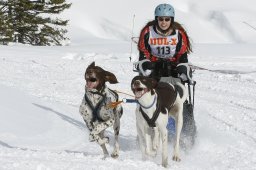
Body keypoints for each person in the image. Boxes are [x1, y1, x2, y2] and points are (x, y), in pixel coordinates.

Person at [134, 3, 196, 148]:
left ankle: (183, 131)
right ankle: (147, 131)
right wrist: (145, 64)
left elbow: (182, 54)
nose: (163, 22)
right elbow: (143, 52)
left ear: (171, 20)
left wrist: (183, 67)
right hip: (154, 66)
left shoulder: (179, 33)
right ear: (156, 19)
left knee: (178, 98)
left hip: (173, 67)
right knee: (151, 96)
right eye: (161, 19)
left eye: (167, 19)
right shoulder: (148, 32)